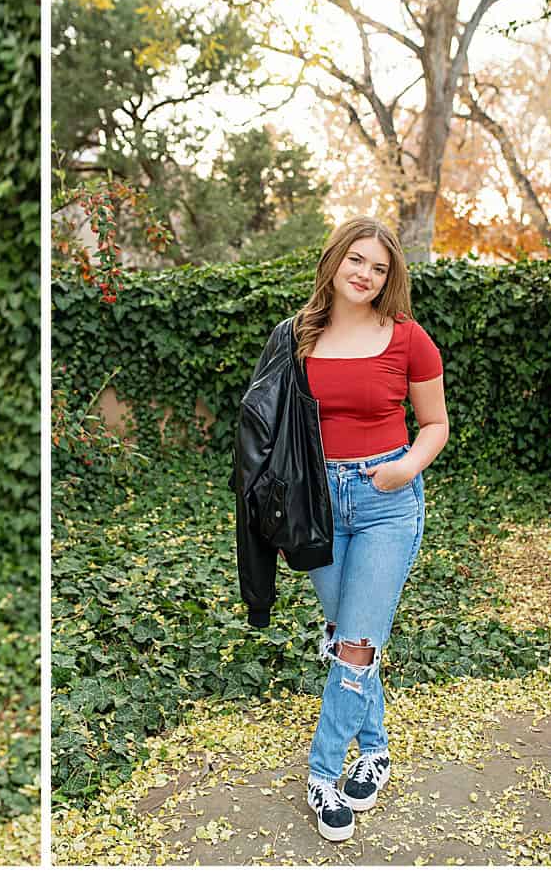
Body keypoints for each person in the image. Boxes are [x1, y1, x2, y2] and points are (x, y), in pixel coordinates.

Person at [232, 217, 449, 842]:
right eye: (356, 260)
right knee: (349, 633)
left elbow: (433, 423)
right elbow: (264, 427)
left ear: (390, 277)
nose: (365, 274)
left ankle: (324, 775)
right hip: (316, 505)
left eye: (379, 267)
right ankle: (376, 748)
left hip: (386, 500)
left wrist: (403, 467)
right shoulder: (296, 337)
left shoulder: (409, 339)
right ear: (333, 262)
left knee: (355, 644)